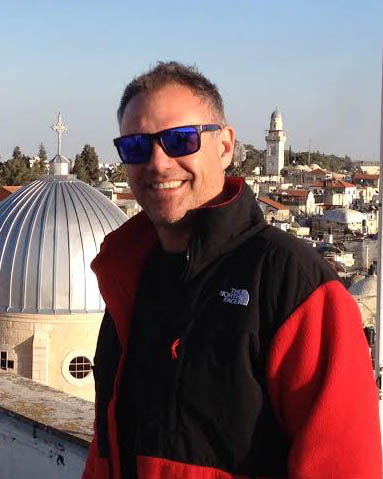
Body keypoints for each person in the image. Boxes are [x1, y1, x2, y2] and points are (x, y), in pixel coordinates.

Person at [83, 62, 382, 479]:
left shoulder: (292, 282)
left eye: (179, 140)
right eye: (136, 146)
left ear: (225, 146)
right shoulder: (129, 275)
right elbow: (109, 447)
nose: (157, 162)